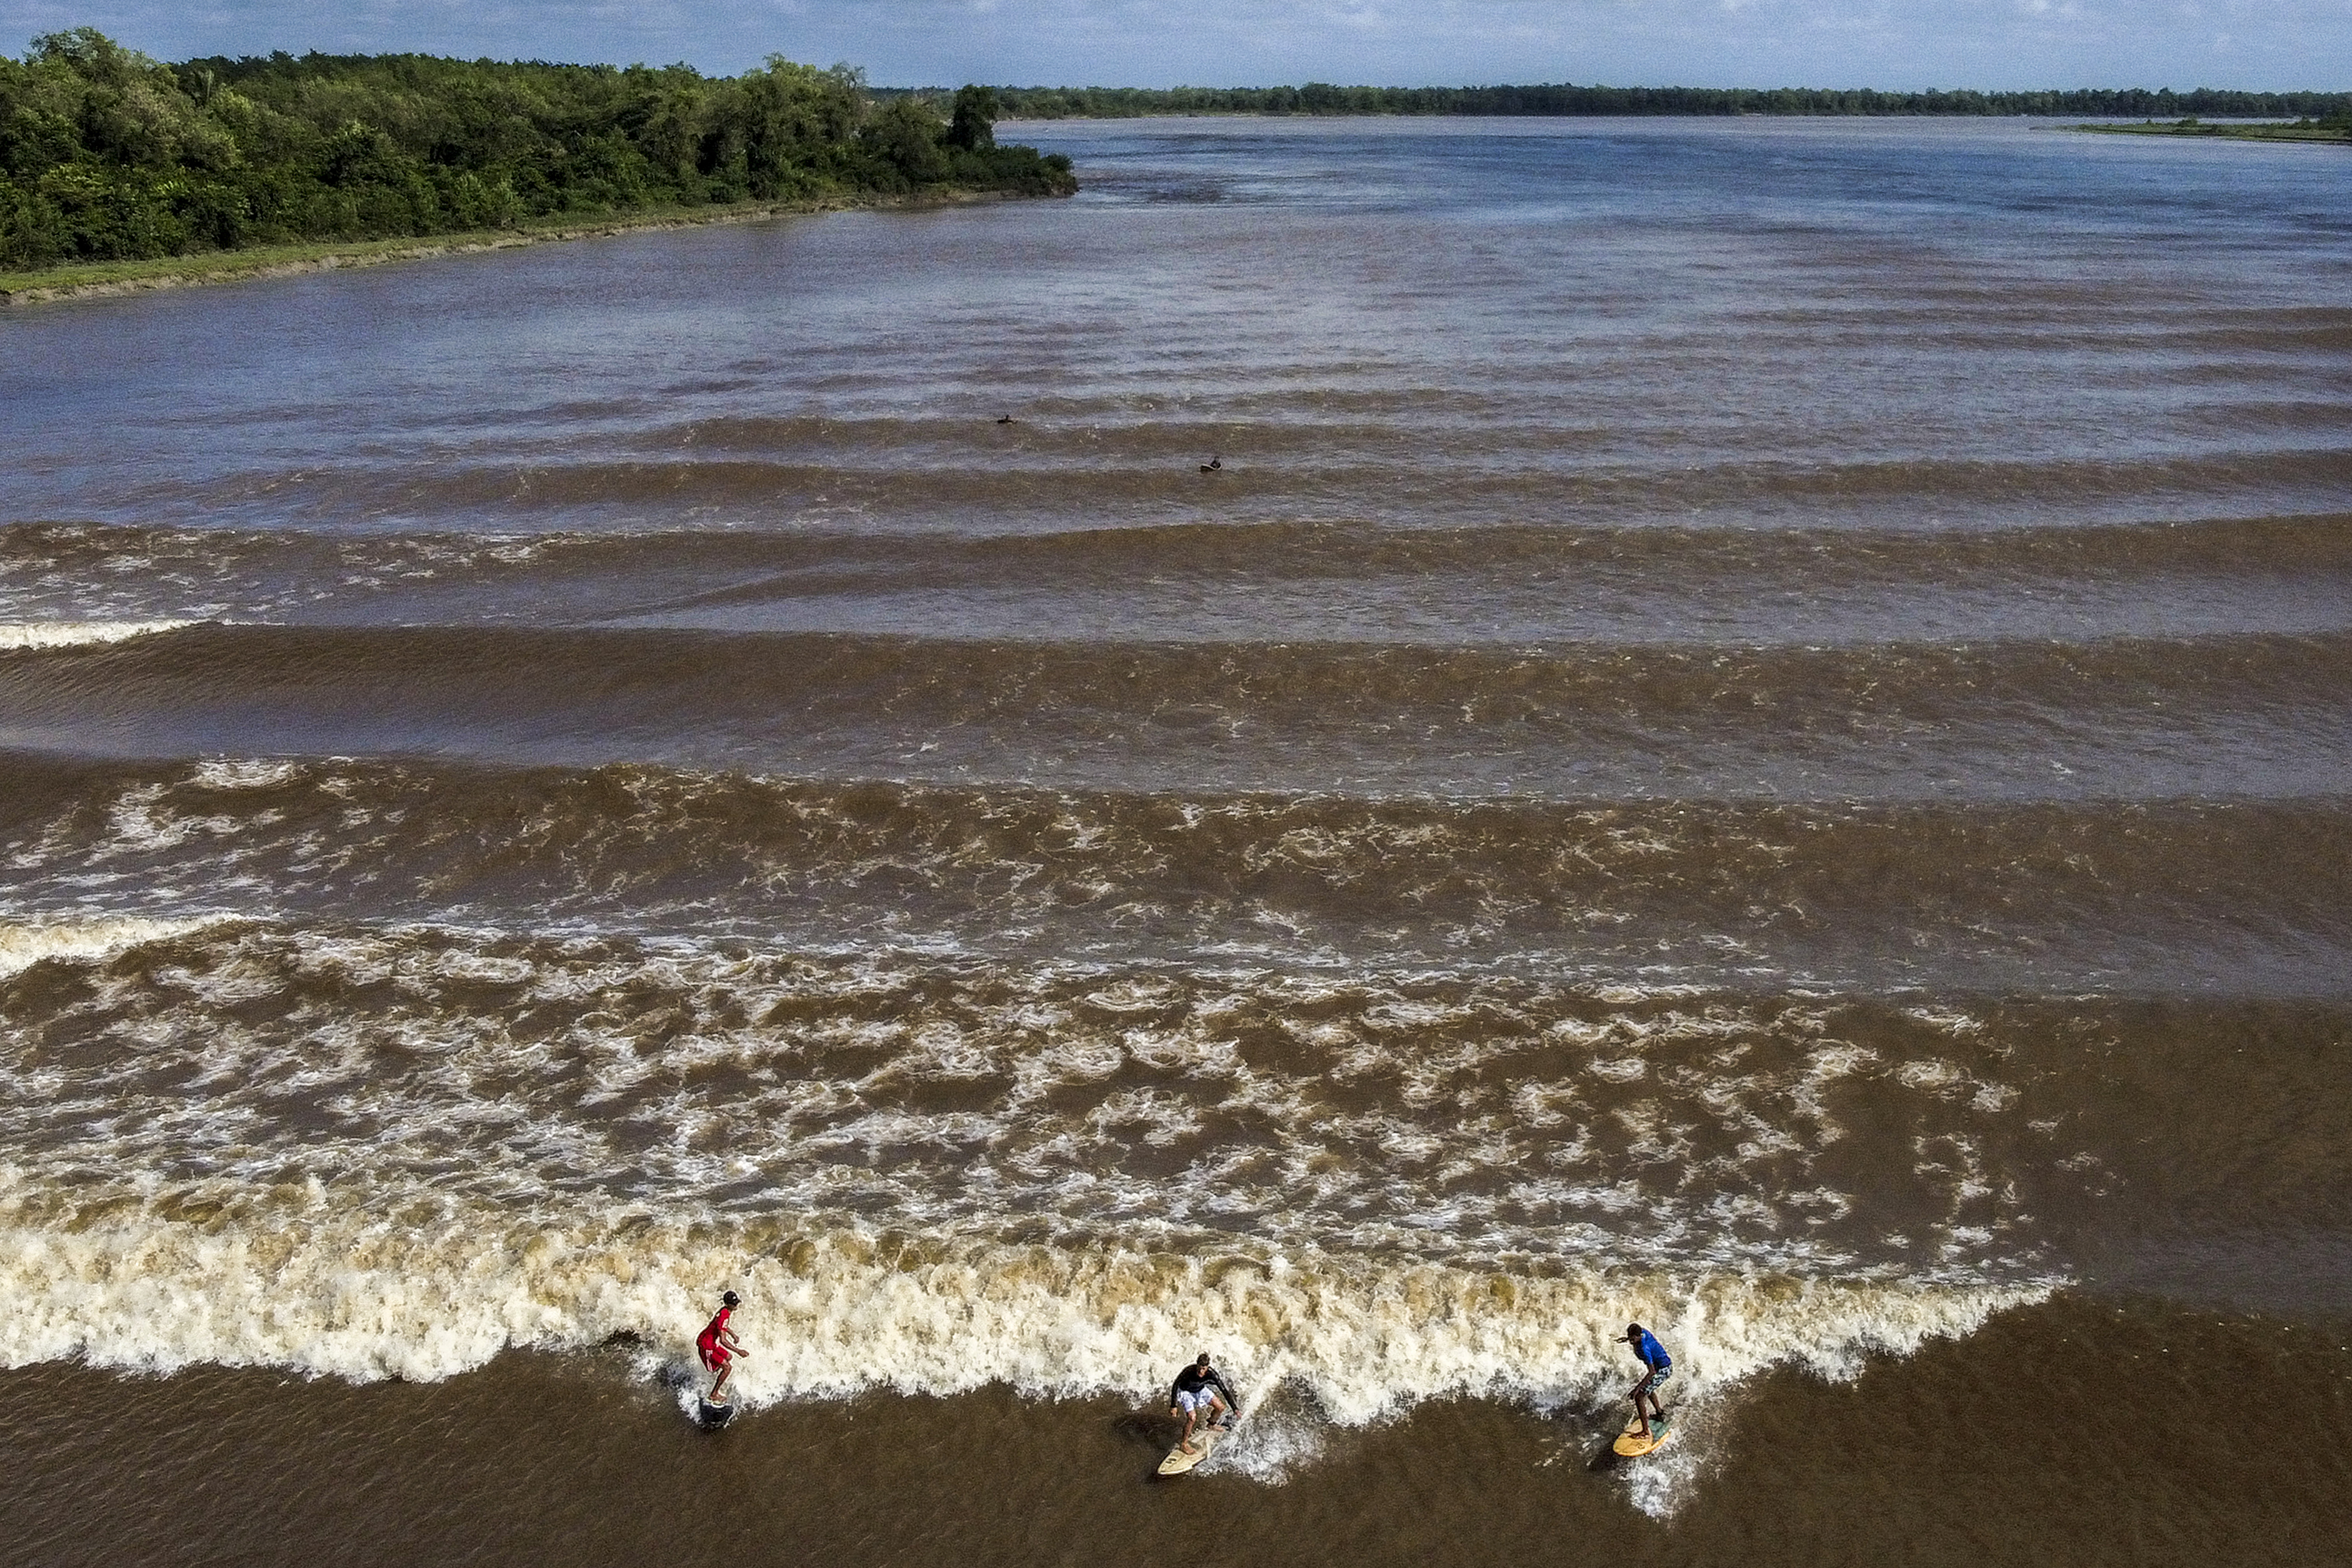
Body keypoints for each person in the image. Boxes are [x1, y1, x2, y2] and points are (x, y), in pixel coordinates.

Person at [1168, 1353, 1239, 1452]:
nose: (1201, 1372)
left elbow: (1224, 1390)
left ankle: (1211, 1425)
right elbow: (1176, 1384)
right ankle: (1184, 1444)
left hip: (1200, 1390)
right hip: (1186, 1392)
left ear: (1208, 1367)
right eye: (1200, 1368)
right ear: (1197, 1365)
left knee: (1221, 1408)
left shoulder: (1212, 1374)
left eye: (1204, 1369)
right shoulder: (1189, 1371)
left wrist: (1235, 1409)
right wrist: (1174, 1406)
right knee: (1192, 1418)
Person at [1621, 1322, 1671, 1439]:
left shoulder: (1644, 1349)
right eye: (1630, 1337)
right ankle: (1660, 1413)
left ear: (1638, 1336)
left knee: (1639, 1396)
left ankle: (1645, 1432)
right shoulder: (1643, 1332)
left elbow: (1652, 1372)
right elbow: (1636, 1333)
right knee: (1649, 1388)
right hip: (1662, 1366)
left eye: (1633, 1338)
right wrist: (1627, 1339)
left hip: (1663, 1370)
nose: (1631, 1341)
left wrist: (1636, 1389)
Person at [697, 1290, 748, 1405]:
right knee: (728, 1368)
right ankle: (714, 1394)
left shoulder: (724, 1311)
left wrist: (733, 1334)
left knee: (728, 1357)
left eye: (737, 1302)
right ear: (728, 1304)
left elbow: (721, 1325)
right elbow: (723, 1341)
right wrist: (739, 1351)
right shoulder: (724, 1314)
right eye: (734, 1303)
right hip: (707, 1346)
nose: (736, 1305)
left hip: (711, 1342)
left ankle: (717, 1377)